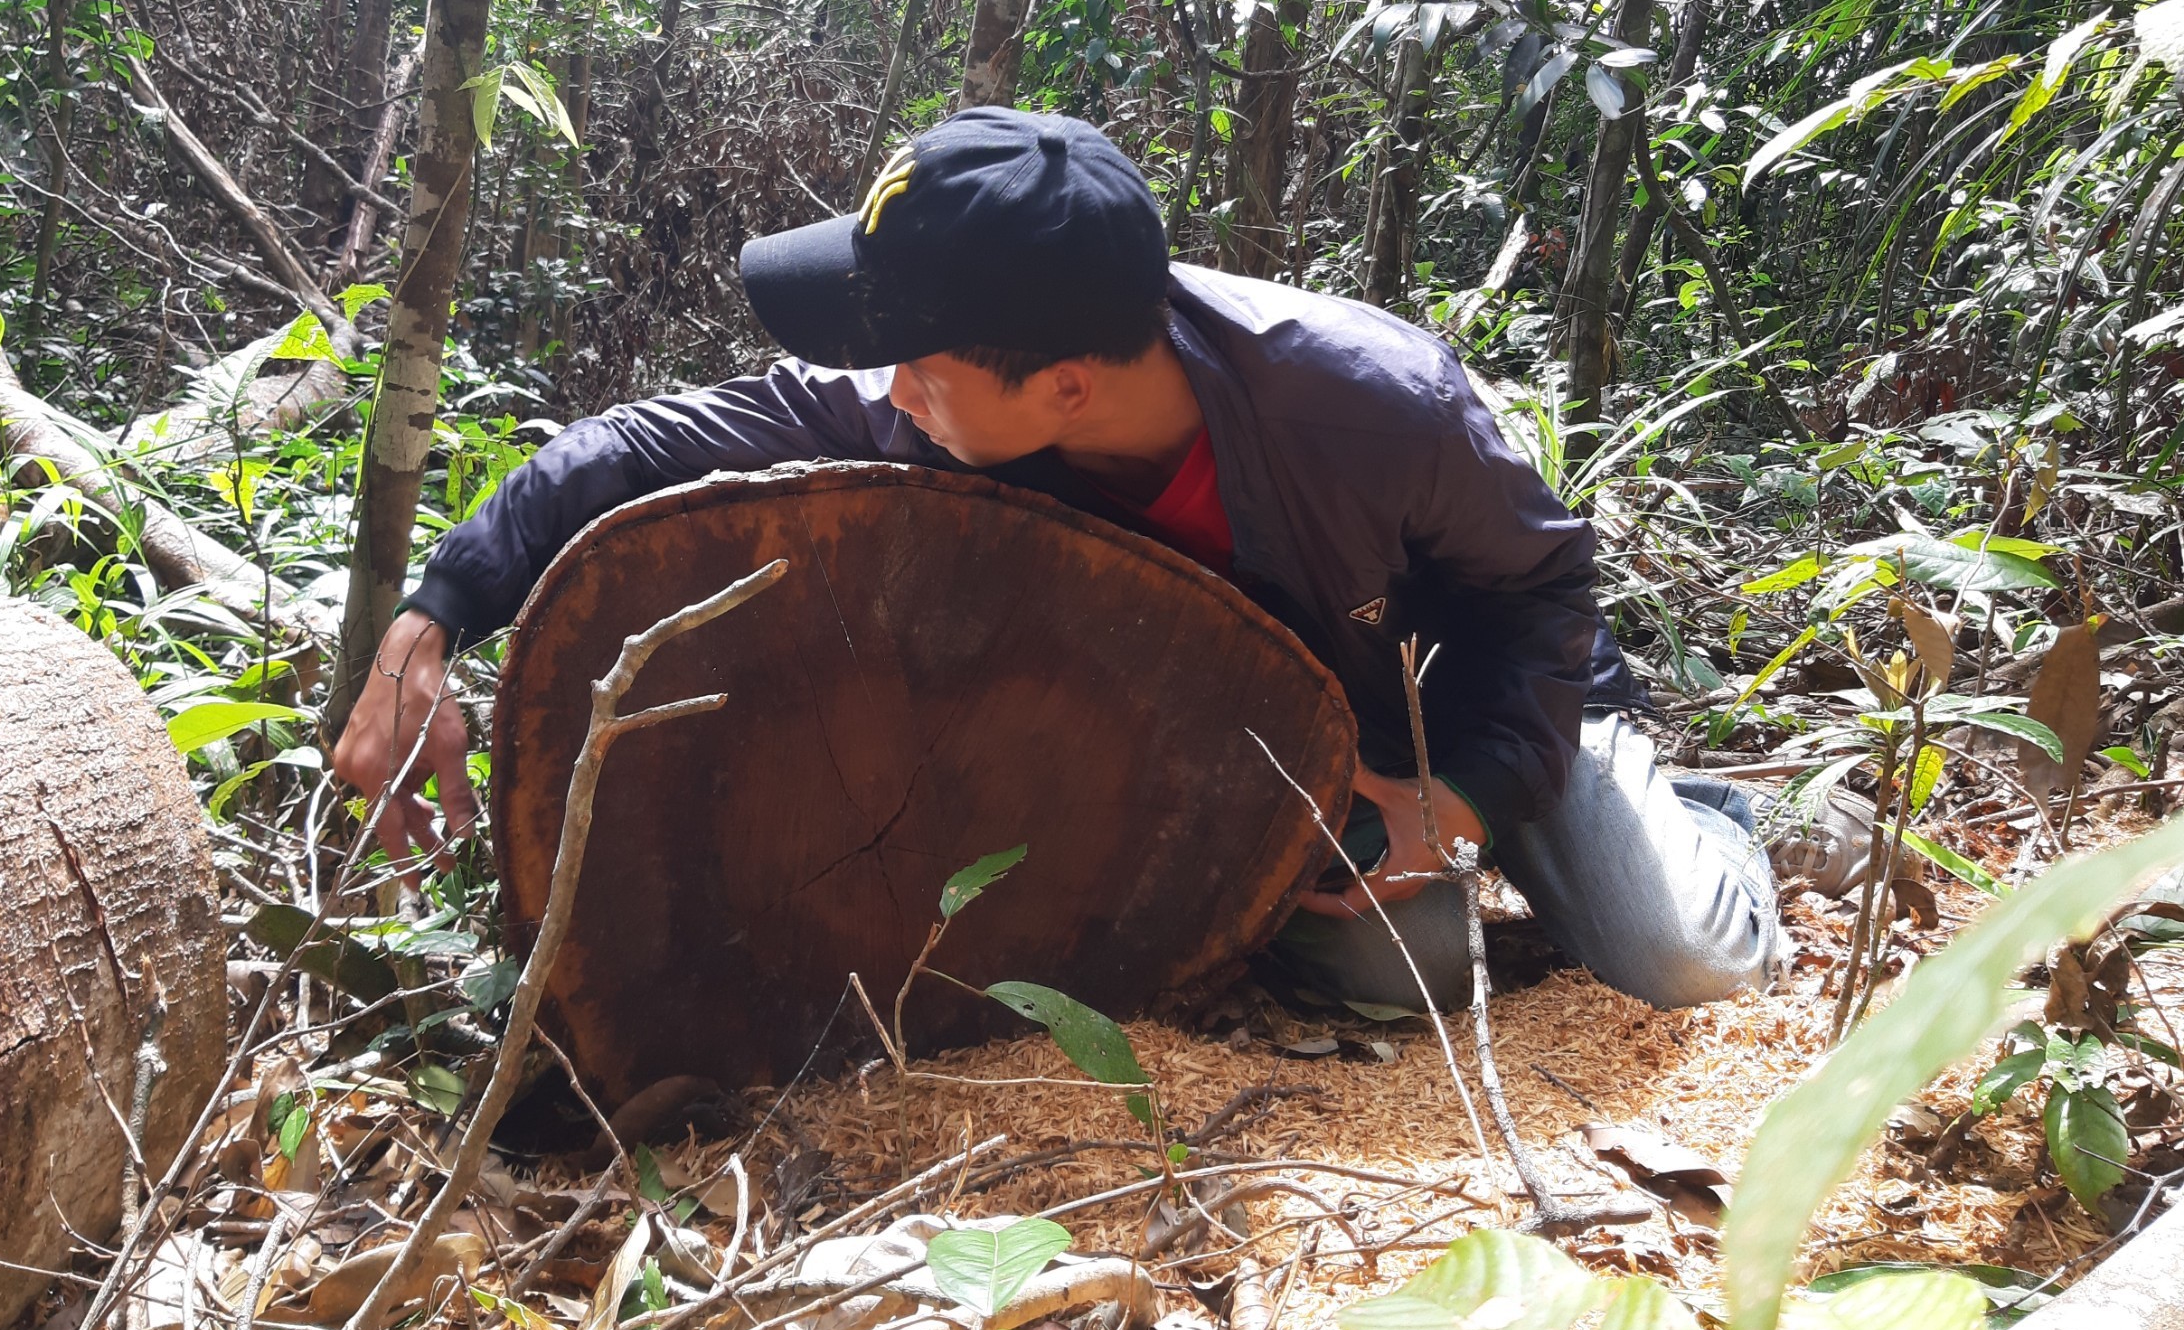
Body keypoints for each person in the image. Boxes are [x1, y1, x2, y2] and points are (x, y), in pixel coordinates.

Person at [333, 107, 1782, 1011]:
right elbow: (654, 445)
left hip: (1476, 707)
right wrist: (436, 617)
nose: (886, 387)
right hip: (1280, 751)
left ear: (1066, 388)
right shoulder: (960, 403)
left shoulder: (1366, 402)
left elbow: (1537, 590)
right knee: (1407, 973)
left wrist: (1463, 796)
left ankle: (1701, 814)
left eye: (915, 358)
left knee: (1678, 960)